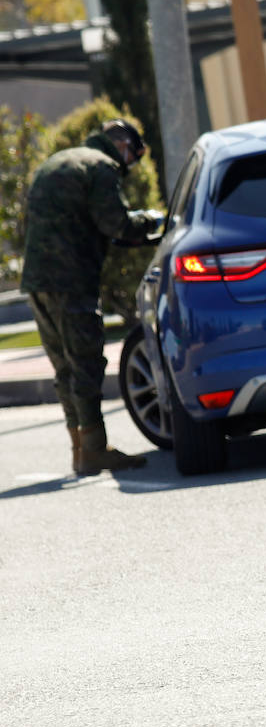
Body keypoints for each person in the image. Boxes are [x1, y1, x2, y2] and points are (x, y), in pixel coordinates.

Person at [22, 118, 164, 476]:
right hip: (72, 278)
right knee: (85, 362)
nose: (130, 166)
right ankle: (94, 451)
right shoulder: (100, 166)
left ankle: (79, 448)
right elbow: (116, 224)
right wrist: (152, 221)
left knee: (64, 367)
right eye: (133, 156)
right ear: (122, 146)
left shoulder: (58, 161)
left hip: (38, 280)